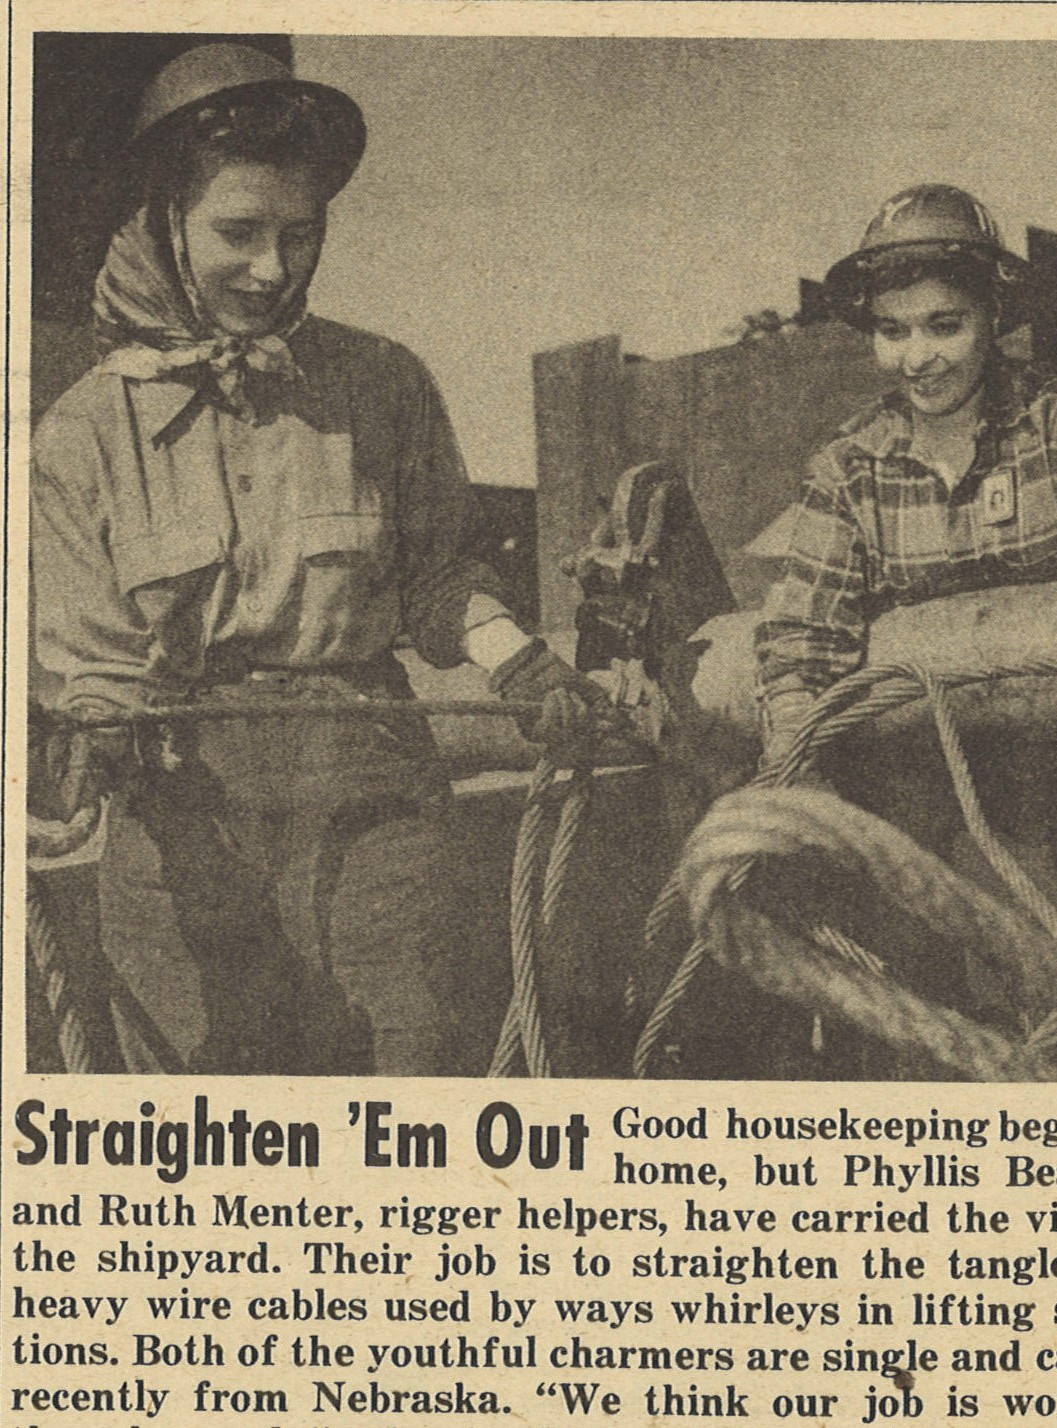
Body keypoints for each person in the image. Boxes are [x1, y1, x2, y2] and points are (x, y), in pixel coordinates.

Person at [32, 43, 619, 1075]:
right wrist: (92, 747)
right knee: (201, 1099)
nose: (272, 267)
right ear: (166, 218)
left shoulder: (383, 383)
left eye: (298, 235)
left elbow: (441, 577)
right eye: (239, 232)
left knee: (417, 1056)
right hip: (181, 804)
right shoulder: (82, 434)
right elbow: (92, 671)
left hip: (371, 776)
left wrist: (519, 663)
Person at [753, 185, 1057, 1057]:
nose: (918, 357)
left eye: (944, 325)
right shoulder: (848, 469)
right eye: (892, 331)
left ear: (992, 318)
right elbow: (801, 641)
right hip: (953, 792)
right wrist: (800, 770)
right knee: (971, 1009)